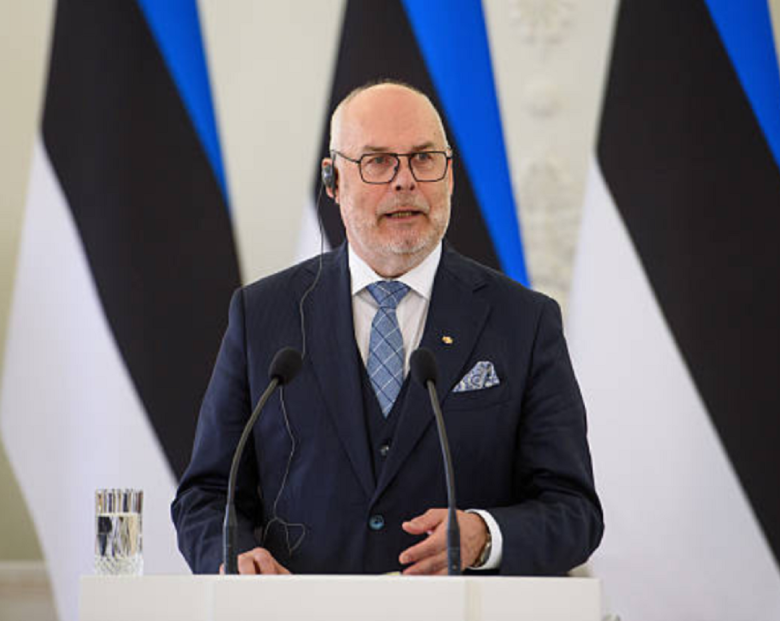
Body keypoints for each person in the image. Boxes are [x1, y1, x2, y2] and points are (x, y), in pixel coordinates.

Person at [172, 81, 603, 576]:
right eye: (378, 162)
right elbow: (206, 495)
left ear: (449, 176)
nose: (405, 182)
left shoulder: (523, 321)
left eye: (423, 159)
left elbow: (574, 511)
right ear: (333, 181)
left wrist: (487, 535)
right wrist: (232, 555)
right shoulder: (263, 315)